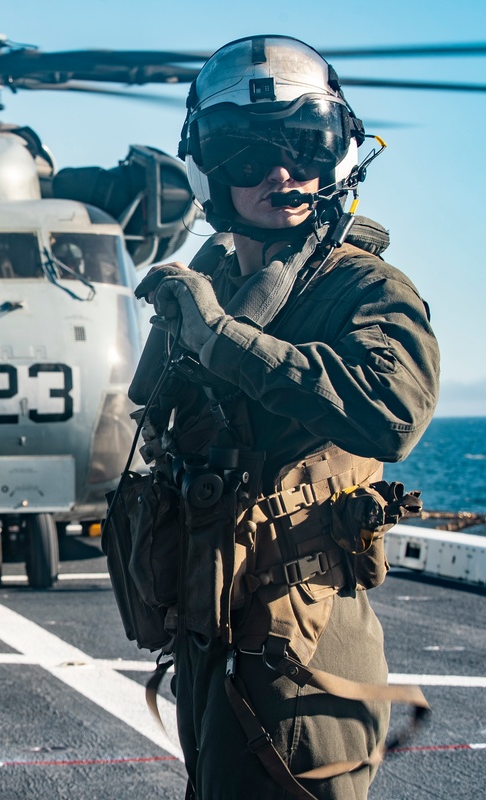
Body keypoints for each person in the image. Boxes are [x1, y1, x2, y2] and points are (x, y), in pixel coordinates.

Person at [125, 36, 439, 799]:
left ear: (339, 153)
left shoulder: (362, 288)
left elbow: (391, 413)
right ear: (208, 167)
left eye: (304, 144)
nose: (279, 173)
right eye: (244, 152)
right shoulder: (215, 282)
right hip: (212, 642)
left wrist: (218, 338)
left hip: (302, 654)